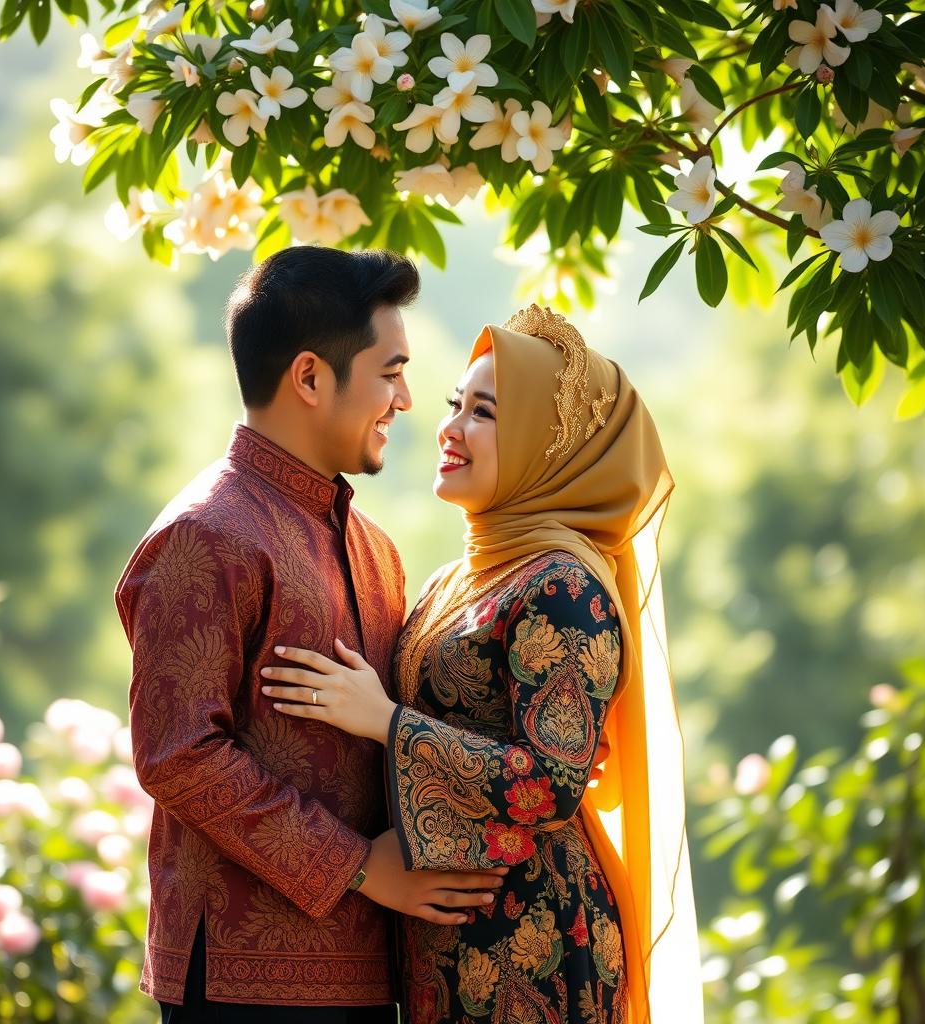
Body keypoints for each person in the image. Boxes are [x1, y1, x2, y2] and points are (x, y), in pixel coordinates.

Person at [262, 304, 705, 1024]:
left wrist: (386, 723)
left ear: (546, 445)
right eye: (453, 405)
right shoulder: (456, 580)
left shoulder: (563, 587)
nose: (449, 428)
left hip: (531, 935)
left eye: (485, 413)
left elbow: (551, 780)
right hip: (449, 935)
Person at [115, 246, 508, 1024]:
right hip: (240, 986)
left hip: (368, 971)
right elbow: (177, 755)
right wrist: (361, 867)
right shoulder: (206, 536)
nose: (404, 400)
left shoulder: (377, 550)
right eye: (390, 371)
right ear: (309, 377)